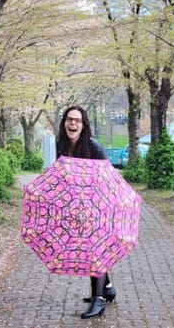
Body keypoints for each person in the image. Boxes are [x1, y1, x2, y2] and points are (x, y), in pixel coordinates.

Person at [56, 105, 116, 319]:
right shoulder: (61, 145)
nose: (73, 124)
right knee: (88, 247)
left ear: (83, 125)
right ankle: (107, 288)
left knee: (95, 250)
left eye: (77, 121)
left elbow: (109, 178)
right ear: (65, 123)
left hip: (101, 204)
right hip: (78, 206)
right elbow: (60, 172)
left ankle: (98, 299)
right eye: (69, 120)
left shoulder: (93, 147)